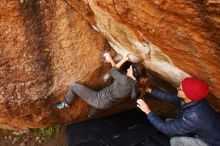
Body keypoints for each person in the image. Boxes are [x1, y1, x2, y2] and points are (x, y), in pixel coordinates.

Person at [137, 77, 220, 146]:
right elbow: (168, 97)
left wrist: (148, 111)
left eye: (180, 88)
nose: (177, 88)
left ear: (188, 95)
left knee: (175, 141)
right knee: (169, 121)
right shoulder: (196, 99)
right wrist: (149, 90)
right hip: (209, 132)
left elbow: (165, 128)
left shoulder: (194, 116)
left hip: (211, 142)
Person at [55, 52, 148, 110]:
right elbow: (118, 72)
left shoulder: (126, 80)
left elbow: (112, 71)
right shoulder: (135, 84)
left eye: (130, 69)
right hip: (107, 102)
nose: (128, 69)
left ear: (133, 74)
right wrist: (118, 60)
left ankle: (66, 103)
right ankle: (92, 109)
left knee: (73, 86)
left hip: (99, 99)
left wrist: (118, 59)